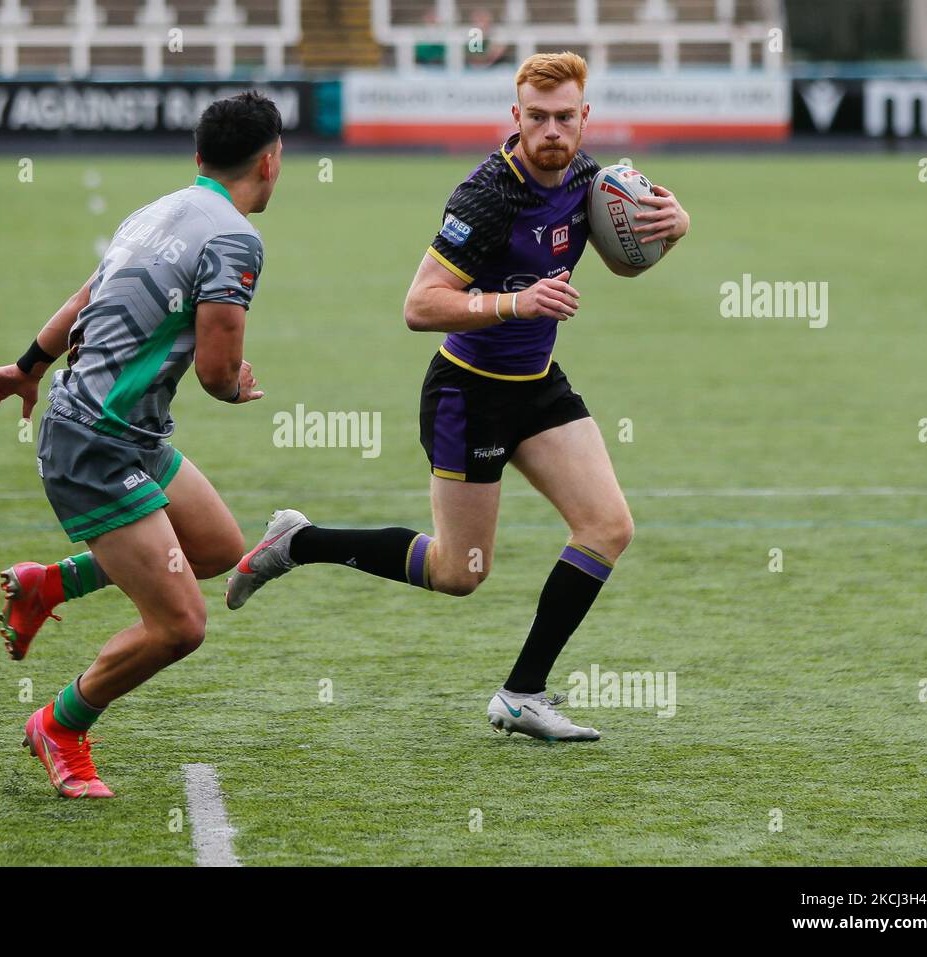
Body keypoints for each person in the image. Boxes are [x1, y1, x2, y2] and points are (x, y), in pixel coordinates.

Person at [226, 53, 690, 743]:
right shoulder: (487, 194)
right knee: (459, 571)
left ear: (585, 117)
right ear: (516, 117)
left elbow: (624, 259)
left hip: (537, 388)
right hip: (468, 395)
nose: (552, 131)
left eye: (566, 117)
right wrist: (516, 302)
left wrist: (671, 230)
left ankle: (522, 693)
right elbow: (418, 305)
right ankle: (301, 541)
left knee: (607, 525)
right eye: (538, 118)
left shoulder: (592, 178)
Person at [0, 91, 283, 797]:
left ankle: (48, 583)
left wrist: (27, 365)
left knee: (215, 548)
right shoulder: (235, 237)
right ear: (272, 161)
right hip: (94, 443)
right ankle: (60, 723)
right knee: (180, 625)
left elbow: (88, 293)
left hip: (128, 433)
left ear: (199, 157)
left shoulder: (155, 209)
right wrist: (237, 388)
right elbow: (214, 371)